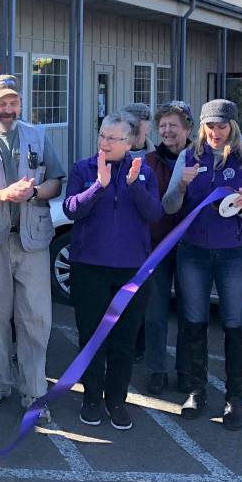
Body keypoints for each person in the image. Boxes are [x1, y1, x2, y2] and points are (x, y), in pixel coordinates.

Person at [0, 74, 65, 421]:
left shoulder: (38, 135)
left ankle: (34, 391)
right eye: (0, 102)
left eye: (13, 102)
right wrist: (1, 195)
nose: (7, 109)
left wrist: (33, 192)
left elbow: (55, 182)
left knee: (36, 318)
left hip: (32, 241)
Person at [162, 99, 242, 431]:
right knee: (193, 323)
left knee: (236, 326)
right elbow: (169, 206)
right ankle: (196, 390)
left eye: (222, 126)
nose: (216, 133)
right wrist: (181, 185)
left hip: (234, 255)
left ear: (232, 127)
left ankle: (235, 398)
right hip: (194, 253)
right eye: (210, 126)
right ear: (202, 127)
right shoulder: (188, 157)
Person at [63, 113, 162, 430]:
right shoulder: (83, 168)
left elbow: (154, 213)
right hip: (89, 268)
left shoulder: (143, 171)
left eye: (113, 138)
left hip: (132, 271)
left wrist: (133, 186)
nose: (105, 143)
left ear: (130, 141)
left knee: (124, 339)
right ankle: (91, 397)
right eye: (102, 136)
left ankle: (116, 400)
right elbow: (71, 209)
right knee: (91, 337)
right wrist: (98, 187)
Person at [141, 101, 193, 395]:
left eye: (174, 125)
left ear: (187, 128)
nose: (167, 131)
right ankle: (156, 370)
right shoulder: (149, 162)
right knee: (156, 313)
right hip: (157, 247)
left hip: (191, 248)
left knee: (190, 313)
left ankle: (186, 371)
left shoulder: (200, 159)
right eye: (162, 126)